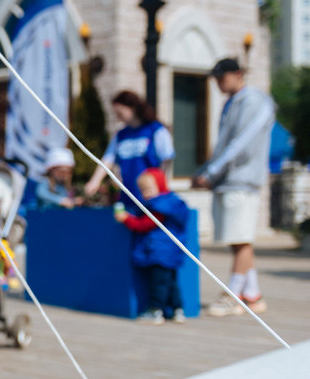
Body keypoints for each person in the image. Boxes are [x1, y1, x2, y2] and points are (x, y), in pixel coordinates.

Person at [193, 58, 275, 316]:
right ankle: (253, 295)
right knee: (237, 239)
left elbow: (241, 143)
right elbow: (224, 145)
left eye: (222, 77)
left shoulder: (254, 102)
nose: (218, 83)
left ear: (238, 74)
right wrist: (208, 171)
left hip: (242, 180)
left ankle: (234, 295)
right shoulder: (233, 103)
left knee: (240, 240)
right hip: (230, 181)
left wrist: (211, 173)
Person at [115, 168, 189, 325]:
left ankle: (156, 310)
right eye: (142, 190)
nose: (145, 194)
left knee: (159, 283)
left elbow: (145, 225)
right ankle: (177, 309)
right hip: (170, 251)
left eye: (149, 189)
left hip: (159, 252)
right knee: (170, 282)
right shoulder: (171, 203)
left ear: (161, 186)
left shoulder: (160, 206)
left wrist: (126, 219)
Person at [83, 90, 174, 209]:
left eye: (120, 113)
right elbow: (108, 159)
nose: (118, 117)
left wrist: (159, 187)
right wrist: (95, 181)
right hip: (129, 194)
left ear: (132, 108)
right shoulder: (121, 135)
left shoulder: (155, 130)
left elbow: (166, 159)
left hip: (151, 195)